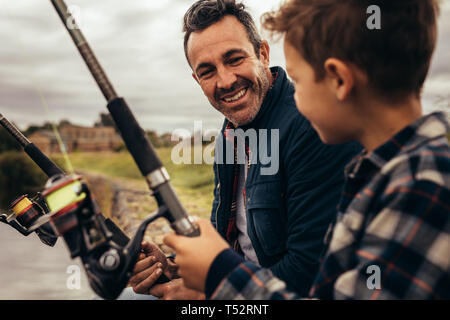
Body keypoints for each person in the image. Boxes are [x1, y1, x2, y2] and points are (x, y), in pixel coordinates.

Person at [164, 0, 450, 300]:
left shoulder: (421, 188)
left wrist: (215, 285)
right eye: (208, 71)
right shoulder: (377, 174)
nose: (294, 98)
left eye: (297, 82)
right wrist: (179, 268)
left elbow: (308, 276)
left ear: (338, 80)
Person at [125, 0, 360, 300]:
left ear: (262, 54)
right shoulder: (228, 134)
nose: (225, 80)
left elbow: (307, 272)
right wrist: (171, 269)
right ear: (197, 81)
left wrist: (207, 291)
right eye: (207, 71)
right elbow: (222, 245)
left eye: (234, 59)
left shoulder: (313, 127)